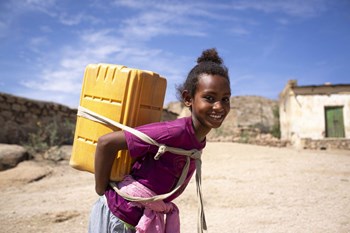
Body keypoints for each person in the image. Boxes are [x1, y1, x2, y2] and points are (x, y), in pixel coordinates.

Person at [88, 48, 231, 233]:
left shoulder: (197, 138)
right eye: (209, 98)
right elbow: (106, 143)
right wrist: (101, 189)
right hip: (119, 215)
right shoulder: (173, 131)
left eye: (225, 99)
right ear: (188, 99)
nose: (219, 106)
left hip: (139, 219)